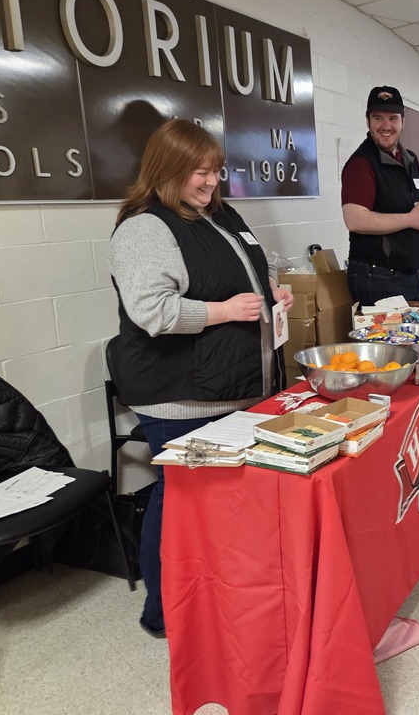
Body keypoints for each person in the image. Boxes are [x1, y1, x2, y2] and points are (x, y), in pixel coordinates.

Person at [109, 119, 293, 639]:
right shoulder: (145, 228)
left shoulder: (218, 213)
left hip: (234, 386)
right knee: (180, 501)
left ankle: (218, 597)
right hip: (183, 397)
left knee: (223, 505)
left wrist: (272, 289)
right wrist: (224, 311)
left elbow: (248, 269)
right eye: (199, 172)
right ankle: (164, 613)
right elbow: (153, 311)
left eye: (216, 171)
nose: (211, 182)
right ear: (167, 170)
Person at [341, 85, 419, 305]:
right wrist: (411, 219)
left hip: (410, 275)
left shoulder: (410, 159)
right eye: (378, 118)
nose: (386, 126)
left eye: (393, 118)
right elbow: (355, 220)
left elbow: (408, 206)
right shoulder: (362, 163)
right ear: (368, 121)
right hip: (378, 277)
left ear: (403, 121)